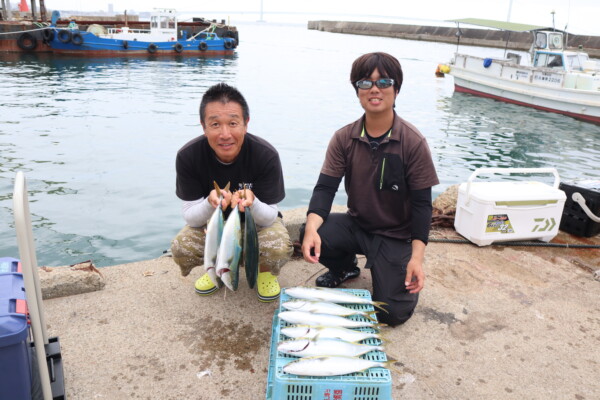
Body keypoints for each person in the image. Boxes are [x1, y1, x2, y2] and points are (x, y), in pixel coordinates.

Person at [300, 52, 439, 326]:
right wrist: (312, 228)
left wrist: (417, 258)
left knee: (392, 314)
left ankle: (389, 272)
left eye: (384, 81)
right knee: (315, 231)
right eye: (365, 82)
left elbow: (423, 206)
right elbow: (325, 189)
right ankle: (345, 268)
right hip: (358, 224)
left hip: (396, 235)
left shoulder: (412, 142)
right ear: (357, 91)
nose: (374, 89)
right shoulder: (344, 138)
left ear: (396, 89)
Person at [171, 83, 292, 302]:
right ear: (203, 126)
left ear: (246, 124)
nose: (225, 134)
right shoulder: (188, 156)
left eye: (233, 123)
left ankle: (264, 271)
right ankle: (213, 267)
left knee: (278, 246)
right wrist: (210, 203)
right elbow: (190, 216)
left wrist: (252, 203)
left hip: (258, 224)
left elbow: (270, 217)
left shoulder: (266, 155)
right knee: (182, 247)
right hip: (213, 224)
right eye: (215, 124)